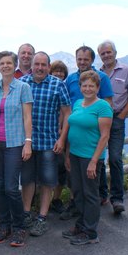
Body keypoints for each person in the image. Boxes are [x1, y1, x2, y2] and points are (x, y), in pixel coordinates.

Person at [0, 51, 33, 247]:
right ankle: (5, 226)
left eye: (9, 63)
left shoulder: (23, 88)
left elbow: (27, 117)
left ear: (14, 64)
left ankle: (19, 227)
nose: (5, 66)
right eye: (2, 63)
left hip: (14, 143)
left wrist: (28, 142)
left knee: (11, 187)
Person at [19, 52, 71, 236]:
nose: (40, 68)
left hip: (49, 142)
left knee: (47, 181)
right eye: (37, 64)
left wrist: (62, 139)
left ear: (49, 67)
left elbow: (67, 113)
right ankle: (26, 213)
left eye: (43, 64)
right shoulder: (23, 83)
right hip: (27, 142)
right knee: (27, 180)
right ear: (31, 65)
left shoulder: (58, 85)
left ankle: (42, 217)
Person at [61, 46, 113, 217]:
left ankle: (90, 229)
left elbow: (104, 132)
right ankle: (80, 219)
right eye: (79, 59)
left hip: (90, 147)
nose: (82, 62)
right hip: (75, 147)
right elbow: (68, 113)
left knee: (90, 191)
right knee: (77, 186)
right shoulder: (73, 89)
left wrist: (94, 159)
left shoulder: (102, 87)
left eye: (86, 59)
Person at [97, 40, 128, 215]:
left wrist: (121, 116)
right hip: (98, 119)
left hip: (116, 118)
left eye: (109, 52)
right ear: (100, 55)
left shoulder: (127, 70)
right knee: (99, 158)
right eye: (103, 53)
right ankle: (102, 194)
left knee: (114, 158)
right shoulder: (97, 73)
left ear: (115, 53)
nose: (106, 55)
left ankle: (117, 198)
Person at [48, 59, 70, 214]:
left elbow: (66, 111)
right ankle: (47, 199)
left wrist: (62, 131)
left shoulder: (64, 88)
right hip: (48, 133)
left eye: (61, 71)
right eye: (56, 71)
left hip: (63, 133)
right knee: (48, 168)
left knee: (62, 166)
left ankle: (56, 198)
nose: (58, 74)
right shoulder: (48, 87)